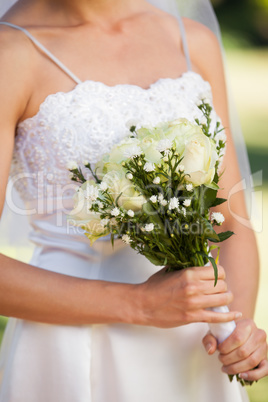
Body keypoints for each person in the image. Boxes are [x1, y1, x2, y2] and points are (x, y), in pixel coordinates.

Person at [0, 0, 267, 401]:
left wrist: (237, 328)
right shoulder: (10, 54)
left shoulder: (192, 41)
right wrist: (141, 305)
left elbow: (230, 220)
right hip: (73, 340)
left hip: (192, 343)